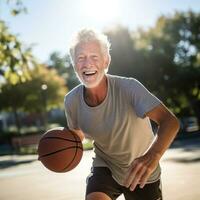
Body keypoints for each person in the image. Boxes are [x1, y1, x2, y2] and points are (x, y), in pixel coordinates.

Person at [64, 28, 180, 200]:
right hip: (106, 167)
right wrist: (60, 147)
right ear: (74, 65)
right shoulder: (71, 101)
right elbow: (76, 137)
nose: (87, 63)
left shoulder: (129, 88)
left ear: (106, 61)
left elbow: (170, 122)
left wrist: (153, 155)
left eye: (94, 57)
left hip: (142, 170)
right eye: (80, 58)